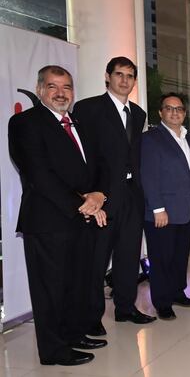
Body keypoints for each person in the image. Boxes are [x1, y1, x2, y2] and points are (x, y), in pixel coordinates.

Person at [9, 65, 108, 365]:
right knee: (50, 288)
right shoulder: (25, 122)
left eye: (66, 86)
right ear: (40, 90)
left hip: (81, 218)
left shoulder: (77, 123)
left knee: (76, 282)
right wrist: (83, 203)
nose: (61, 92)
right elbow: (39, 174)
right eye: (53, 86)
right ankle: (52, 350)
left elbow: (98, 165)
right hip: (48, 220)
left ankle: (73, 333)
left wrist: (99, 194)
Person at [72, 56, 154, 329]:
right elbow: (82, 155)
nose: (124, 80)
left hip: (132, 194)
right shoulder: (88, 109)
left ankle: (126, 307)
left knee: (128, 255)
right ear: (107, 77)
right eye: (119, 74)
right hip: (102, 196)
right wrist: (88, 193)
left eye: (130, 76)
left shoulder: (139, 113)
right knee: (97, 258)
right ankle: (91, 317)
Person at [140, 93, 190, 320]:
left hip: (185, 209)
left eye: (179, 109)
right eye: (169, 108)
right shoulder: (151, 139)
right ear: (160, 112)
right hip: (162, 212)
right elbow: (149, 176)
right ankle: (162, 301)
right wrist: (157, 208)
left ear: (184, 114)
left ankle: (177, 292)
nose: (175, 113)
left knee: (179, 256)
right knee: (161, 258)